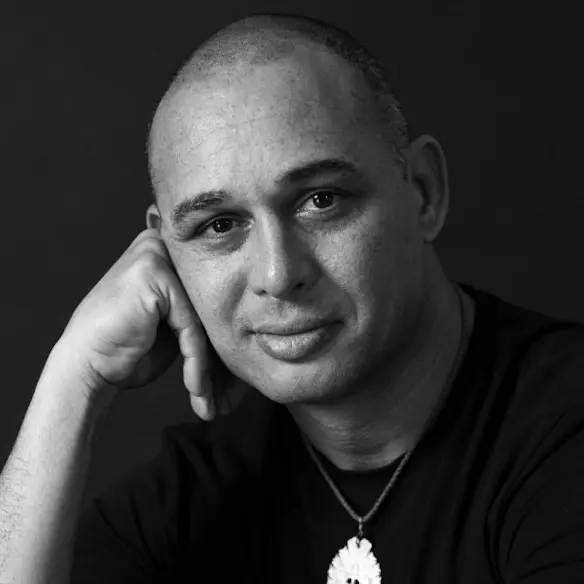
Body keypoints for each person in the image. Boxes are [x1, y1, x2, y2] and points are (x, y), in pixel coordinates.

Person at [1, 12, 583, 584]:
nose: (278, 274)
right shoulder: (196, 497)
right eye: (220, 225)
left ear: (423, 192)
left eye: (320, 200)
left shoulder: (561, 430)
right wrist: (71, 380)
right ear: (168, 251)